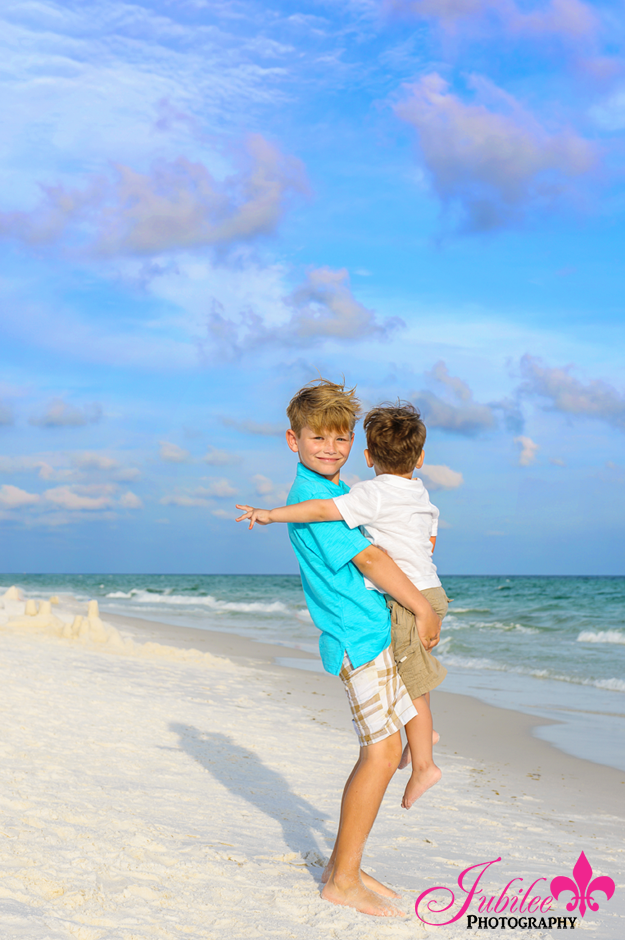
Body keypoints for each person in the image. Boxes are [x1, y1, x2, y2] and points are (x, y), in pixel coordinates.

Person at [236, 379, 441, 918]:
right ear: (292, 440)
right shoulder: (311, 501)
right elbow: (371, 561)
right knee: (380, 754)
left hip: (372, 629)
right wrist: (422, 607)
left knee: (388, 750)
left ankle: (342, 865)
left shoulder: (335, 496)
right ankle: (342, 879)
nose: (330, 449)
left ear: (355, 443)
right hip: (361, 634)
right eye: (317, 439)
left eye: (340, 439)